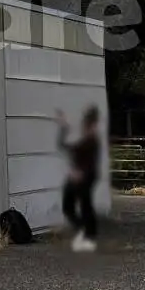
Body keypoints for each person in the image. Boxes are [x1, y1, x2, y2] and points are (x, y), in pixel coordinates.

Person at [55, 105, 102, 252]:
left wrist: (81, 172)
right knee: (71, 205)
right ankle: (86, 232)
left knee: (84, 205)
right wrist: (63, 127)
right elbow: (65, 147)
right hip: (79, 175)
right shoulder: (86, 138)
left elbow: (90, 160)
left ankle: (89, 236)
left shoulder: (92, 139)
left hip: (86, 176)